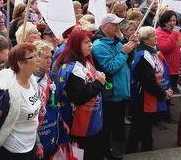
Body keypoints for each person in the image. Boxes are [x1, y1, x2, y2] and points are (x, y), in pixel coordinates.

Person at [92, 13, 138, 159]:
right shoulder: (99, 45)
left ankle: (109, 150)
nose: (118, 27)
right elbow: (111, 67)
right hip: (111, 94)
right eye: (115, 24)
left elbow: (128, 60)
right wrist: (124, 51)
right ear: (105, 26)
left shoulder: (116, 41)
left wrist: (132, 46)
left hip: (119, 92)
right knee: (107, 127)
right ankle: (104, 152)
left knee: (114, 125)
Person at [55, 30, 105, 160]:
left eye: (91, 42)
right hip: (80, 124)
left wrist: (99, 79)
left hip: (93, 120)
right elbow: (79, 97)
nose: (90, 45)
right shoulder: (72, 69)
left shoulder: (85, 62)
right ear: (77, 45)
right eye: (86, 42)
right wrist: (98, 83)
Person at [0, 43, 41, 159]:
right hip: (14, 149)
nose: (38, 59)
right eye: (33, 57)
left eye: (38, 55)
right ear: (20, 63)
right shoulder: (7, 91)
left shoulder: (32, 81)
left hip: (30, 144)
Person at [127, 26, 173, 152]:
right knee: (139, 126)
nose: (156, 37)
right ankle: (135, 150)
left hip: (150, 95)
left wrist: (166, 88)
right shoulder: (143, 56)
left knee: (145, 126)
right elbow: (148, 82)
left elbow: (161, 73)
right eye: (153, 36)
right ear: (145, 39)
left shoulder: (152, 51)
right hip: (143, 98)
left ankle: (146, 147)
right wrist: (163, 93)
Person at [156, 10, 181, 123]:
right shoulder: (159, 32)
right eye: (170, 20)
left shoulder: (174, 31)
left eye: (174, 20)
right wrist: (174, 35)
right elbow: (164, 48)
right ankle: (164, 116)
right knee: (164, 92)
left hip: (174, 67)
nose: (172, 23)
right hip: (166, 69)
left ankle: (165, 112)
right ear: (164, 22)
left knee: (170, 92)